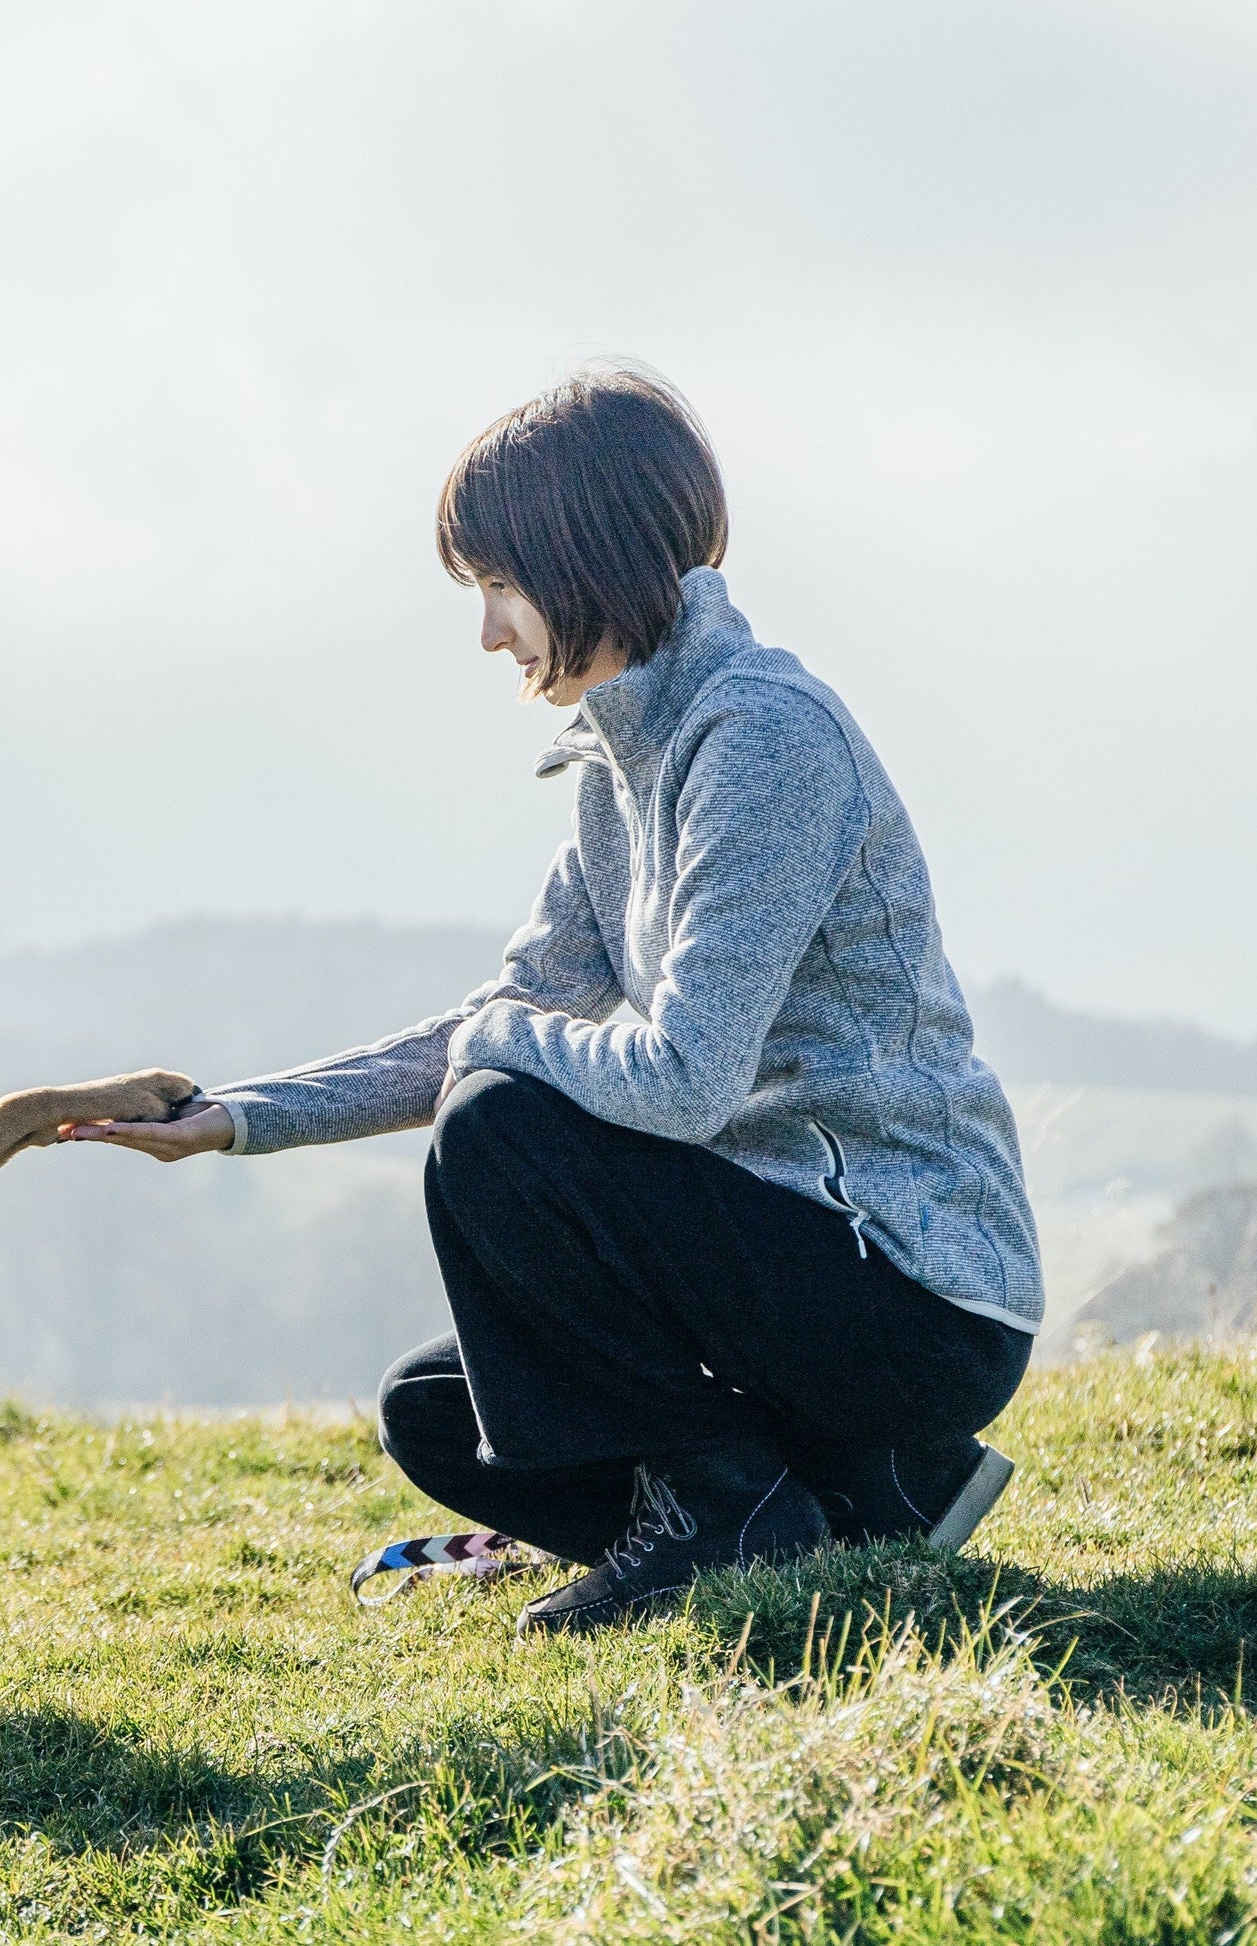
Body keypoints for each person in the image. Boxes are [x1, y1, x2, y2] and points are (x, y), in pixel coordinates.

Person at [68, 367, 1041, 1636]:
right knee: (435, 1409)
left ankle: (724, 1514)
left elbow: (680, 1079)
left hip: (910, 1294)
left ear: (585, 552)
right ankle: (865, 1498)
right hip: (778, 1274)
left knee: (495, 1125)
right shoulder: (615, 763)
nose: (487, 632)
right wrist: (241, 1117)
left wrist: (494, 1045)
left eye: (497, 584)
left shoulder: (763, 739)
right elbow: (507, 1009)